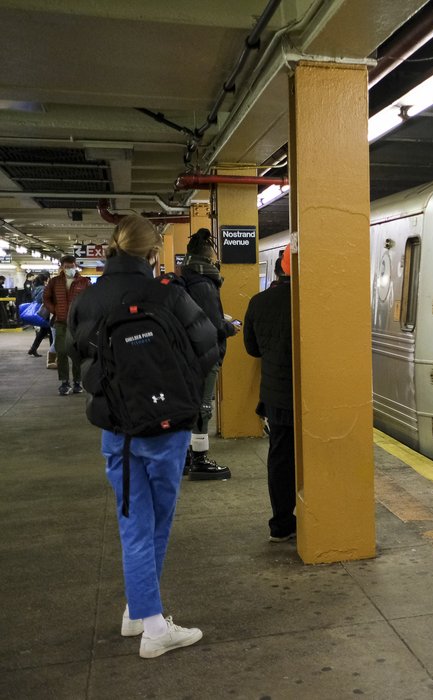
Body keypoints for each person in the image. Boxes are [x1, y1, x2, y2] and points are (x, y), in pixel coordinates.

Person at [68, 214, 218, 659]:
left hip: (118, 429)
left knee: (133, 521)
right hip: (166, 428)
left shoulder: (89, 299)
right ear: (153, 255)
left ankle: (137, 611)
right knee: (155, 523)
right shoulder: (169, 295)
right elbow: (208, 346)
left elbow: (75, 352)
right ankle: (153, 628)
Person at [177, 228, 240, 480]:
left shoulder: (190, 278)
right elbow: (211, 326)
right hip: (204, 354)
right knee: (203, 406)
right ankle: (200, 460)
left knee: (193, 404)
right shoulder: (204, 283)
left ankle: (186, 457)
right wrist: (230, 327)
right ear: (208, 256)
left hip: (190, 353)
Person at [243, 246, 296, 542]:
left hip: (276, 398)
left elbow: (252, 349)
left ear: (278, 270)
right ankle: (320, 515)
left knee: (280, 459)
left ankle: (281, 523)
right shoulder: (313, 299)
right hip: (313, 396)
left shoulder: (259, 302)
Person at [43, 254, 91, 394]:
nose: (69, 269)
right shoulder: (54, 282)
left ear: (76, 266)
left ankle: (77, 382)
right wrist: (55, 310)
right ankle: (64, 382)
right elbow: (46, 297)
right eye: (66, 267)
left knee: (76, 353)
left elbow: (89, 300)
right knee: (61, 351)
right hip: (60, 322)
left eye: (71, 266)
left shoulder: (84, 282)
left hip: (78, 323)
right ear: (62, 267)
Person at [27, 273, 53, 356]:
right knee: (51, 331)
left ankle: (33, 349)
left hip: (40, 311)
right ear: (44, 280)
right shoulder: (43, 288)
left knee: (43, 331)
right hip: (45, 312)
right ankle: (53, 353)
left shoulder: (34, 288)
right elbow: (42, 299)